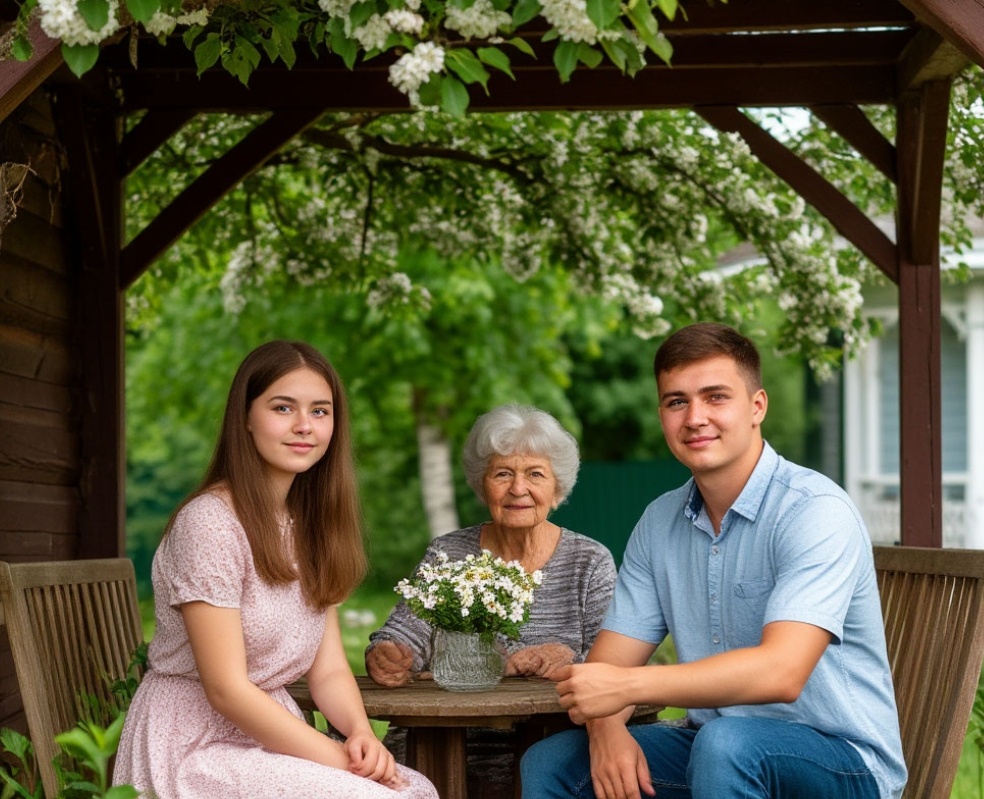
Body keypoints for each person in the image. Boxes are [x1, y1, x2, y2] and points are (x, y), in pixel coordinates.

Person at [520, 322, 907, 799]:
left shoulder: (814, 510)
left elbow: (781, 673)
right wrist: (607, 733)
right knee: (554, 762)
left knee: (726, 745)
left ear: (757, 407)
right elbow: (608, 669)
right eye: (676, 401)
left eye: (716, 397)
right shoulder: (660, 521)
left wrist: (629, 689)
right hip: (717, 749)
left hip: (843, 763)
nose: (695, 417)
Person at [113, 340, 437, 799]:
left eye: (320, 411)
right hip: (192, 747)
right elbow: (226, 690)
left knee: (415, 787)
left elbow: (327, 673)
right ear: (245, 417)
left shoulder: (310, 528)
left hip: (269, 736)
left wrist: (360, 735)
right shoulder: (210, 524)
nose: (304, 426)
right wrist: (340, 761)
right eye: (283, 408)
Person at [365, 403, 617, 686]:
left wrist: (570, 660)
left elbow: (616, 661)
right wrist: (389, 652)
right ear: (482, 486)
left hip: (560, 723)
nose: (518, 489)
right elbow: (407, 633)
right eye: (502, 474)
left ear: (557, 490)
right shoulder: (449, 554)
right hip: (455, 724)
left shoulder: (590, 562)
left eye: (535, 474)